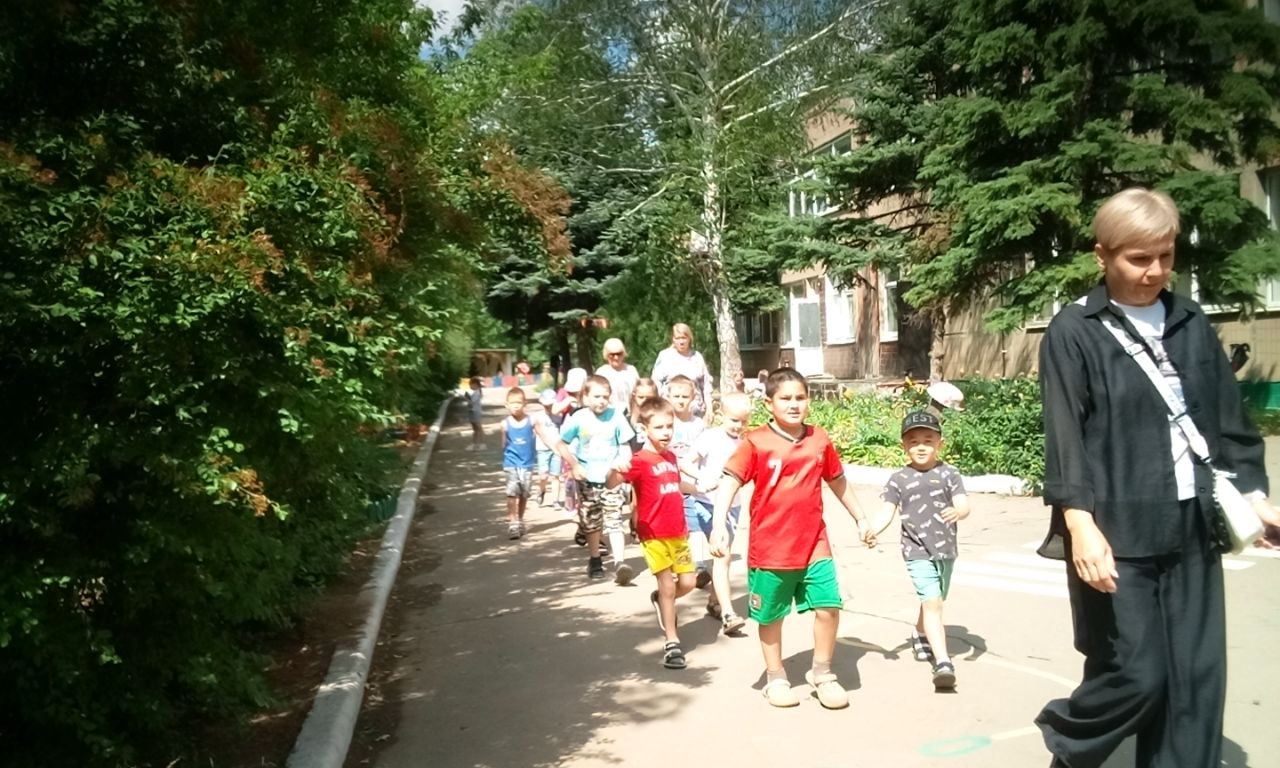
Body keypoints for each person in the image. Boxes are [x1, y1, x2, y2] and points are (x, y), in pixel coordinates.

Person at [1035, 188, 1278, 768]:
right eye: (1138, 258)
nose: (1155, 271)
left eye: (1166, 256)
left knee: (1195, 680)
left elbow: (1228, 422)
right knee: (1136, 674)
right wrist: (1080, 525)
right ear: (1102, 255)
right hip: (1116, 529)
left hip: (1193, 524)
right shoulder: (1074, 330)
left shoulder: (1190, 321)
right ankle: (1069, 746)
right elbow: (1066, 436)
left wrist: (1256, 497)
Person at [710, 368, 876, 709]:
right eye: (785, 398)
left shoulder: (819, 439)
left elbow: (837, 480)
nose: (794, 404)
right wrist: (718, 526)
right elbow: (730, 481)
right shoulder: (755, 442)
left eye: (800, 397)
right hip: (770, 549)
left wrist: (861, 518)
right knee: (771, 617)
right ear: (769, 403)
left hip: (815, 543)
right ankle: (775, 677)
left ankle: (822, 673)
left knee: (829, 607)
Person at [874, 410, 970, 691]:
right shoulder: (899, 479)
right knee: (933, 603)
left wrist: (960, 512)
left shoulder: (950, 474)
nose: (920, 446)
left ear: (940, 443)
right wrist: (872, 530)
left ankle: (919, 633)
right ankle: (943, 663)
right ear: (904, 445)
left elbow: (963, 504)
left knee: (935, 599)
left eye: (928, 440)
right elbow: (887, 510)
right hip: (915, 551)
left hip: (946, 551)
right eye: (913, 441)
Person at [608, 396, 697, 669]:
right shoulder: (639, 460)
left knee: (688, 583)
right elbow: (612, 484)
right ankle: (672, 642)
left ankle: (660, 600)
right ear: (644, 429)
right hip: (653, 534)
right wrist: (615, 469)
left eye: (669, 426)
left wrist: (702, 487)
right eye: (659, 427)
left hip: (678, 533)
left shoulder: (671, 457)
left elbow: (675, 486)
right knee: (668, 586)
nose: (666, 432)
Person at [684, 391, 752, 635]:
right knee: (722, 555)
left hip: (733, 506)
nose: (738, 426)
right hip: (707, 504)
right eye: (734, 420)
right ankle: (728, 614)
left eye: (743, 421)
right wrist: (702, 478)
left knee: (722, 557)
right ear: (721, 414)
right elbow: (686, 462)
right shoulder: (710, 437)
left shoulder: (745, 443)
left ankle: (714, 602)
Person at [559, 375, 637, 582]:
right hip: (587, 479)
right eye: (596, 396)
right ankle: (595, 560)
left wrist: (623, 463)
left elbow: (625, 445)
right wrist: (574, 464)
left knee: (614, 518)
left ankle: (620, 562)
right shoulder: (578, 418)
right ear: (585, 397)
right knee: (591, 522)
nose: (601, 401)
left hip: (611, 479)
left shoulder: (616, 416)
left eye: (605, 397)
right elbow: (561, 443)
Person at [665, 375, 708, 586]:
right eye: (676, 396)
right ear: (668, 397)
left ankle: (699, 565)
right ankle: (676, 565)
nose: (681, 400)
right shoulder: (665, 423)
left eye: (685, 396)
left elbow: (705, 452)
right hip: (668, 483)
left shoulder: (698, 424)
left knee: (695, 524)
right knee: (673, 527)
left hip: (691, 483)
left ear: (693, 398)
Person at [500, 388, 559, 539]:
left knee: (524, 494)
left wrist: (555, 449)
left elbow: (543, 435)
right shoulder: (505, 424)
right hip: (511, 464)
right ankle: (513, 523)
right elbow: (503, 444)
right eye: (512, 403)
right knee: (511, 494)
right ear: (506, 405)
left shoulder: (531, 421)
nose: (515, 406)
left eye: (519, 403)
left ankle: (520, 520)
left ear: (524, 403)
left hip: (527, 464)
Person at [651, 323, 714, 420]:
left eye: (684, 338)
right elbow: (655, 383)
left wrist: (709, 409)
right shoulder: (665, 356)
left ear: (689, 338)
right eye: (677, 338)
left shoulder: (697, 357)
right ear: (673, 339)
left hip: (695, 411)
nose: (681, 342)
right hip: (670, 411)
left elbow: (706, 385)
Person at [533, 389, 562, 507]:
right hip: (543, 449)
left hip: (558, 449)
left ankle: (555, 501)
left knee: (556, 475)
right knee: (543, 475)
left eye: (551, 404)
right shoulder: (538, 417)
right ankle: (541, 490)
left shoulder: (559, 416)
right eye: (546, 405)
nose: (548, 407)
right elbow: (541, 434)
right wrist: (553, 447)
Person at [596, 338, 640, 415]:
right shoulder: (601, 373)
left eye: (619, 354)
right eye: (612, 354)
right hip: (609, 414)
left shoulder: (631, 370)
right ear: (606, 355)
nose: (616, 357)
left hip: (631, 414)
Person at [465, 377, 485, 451]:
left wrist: (466, 398)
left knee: (478, 427)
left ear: (476, 384)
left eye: (471, 385)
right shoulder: (475, 392)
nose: (470, 386)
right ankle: (475, 443)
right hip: (472, 411)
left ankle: (481, 443)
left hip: (475, 412)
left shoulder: (477, 393)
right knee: (475, 429)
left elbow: (472, 402)